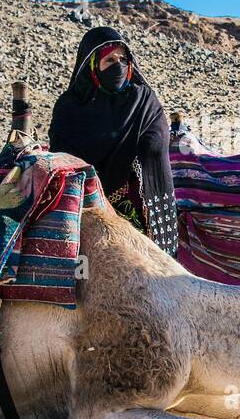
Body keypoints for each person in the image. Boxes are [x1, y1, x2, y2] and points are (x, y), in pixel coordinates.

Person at [49, 25, 178, 255]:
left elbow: (156, 143)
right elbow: (63, 160)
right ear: (92, 67)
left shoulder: (143, 100)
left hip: (140, 206)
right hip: (87, 211)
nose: (118, 65)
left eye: (123, 59)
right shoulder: (70, 108)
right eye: (109, 61)